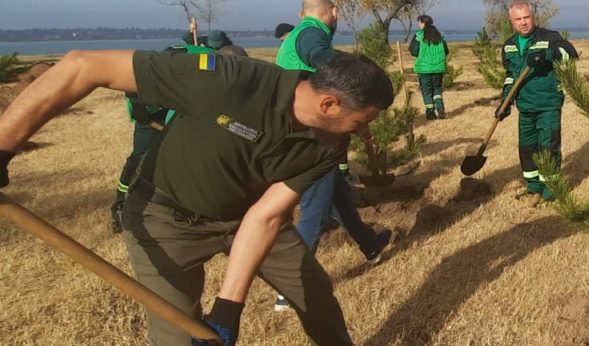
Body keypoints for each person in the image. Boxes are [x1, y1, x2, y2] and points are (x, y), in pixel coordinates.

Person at [0, 48, 394, 346]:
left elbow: (266, 218)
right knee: (178, 334)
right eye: (362, 120)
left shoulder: (329, 143)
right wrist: (4, 147)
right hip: (165, 219)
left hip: (244, 215)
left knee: (317, 296)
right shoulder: (230, 80)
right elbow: (83, 65)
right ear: (329, 103)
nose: (364, 132)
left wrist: (228, 306)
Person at [274, 0, 391, 312]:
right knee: (315, 209)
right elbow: (323, 59)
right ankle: (292, 285)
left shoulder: (296, 35)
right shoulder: (313, 34)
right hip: (313, 137)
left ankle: (370, 245)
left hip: (303, 131)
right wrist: (362, 68)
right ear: (334, 13)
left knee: (337, 194)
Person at [109, 32, 224, 233]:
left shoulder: (214, 63)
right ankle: (120, 206)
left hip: (180, 99)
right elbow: (142, 113)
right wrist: (152, 122)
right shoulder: (148, 77)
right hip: (152, 103)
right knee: (141, 157)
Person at [495, 1, 578, 201]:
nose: (523, 23)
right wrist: (505, 102)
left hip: (548, 104)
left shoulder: (549, 37)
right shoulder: (509, 46)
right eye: (518, 19)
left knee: (548, 146)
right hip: (526, 107)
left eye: (527, 17)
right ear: (511, 21)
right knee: (527, 147)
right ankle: (533, 186)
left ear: (533, 17)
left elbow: (571, 54)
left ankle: (550, 190)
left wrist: (547, 54)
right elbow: (511, 77)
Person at [408, 14, 449, 119]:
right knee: (437, 89)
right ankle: (440, 108)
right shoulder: (440, 36)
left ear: (423, 23)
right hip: (438, 68)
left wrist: (423, 55)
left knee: (427, 91)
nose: (419, 24)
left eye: (419, 22)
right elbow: (446, 51)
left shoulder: (418, 36)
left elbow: (414, 51)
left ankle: (430, 112)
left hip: (424, 69)